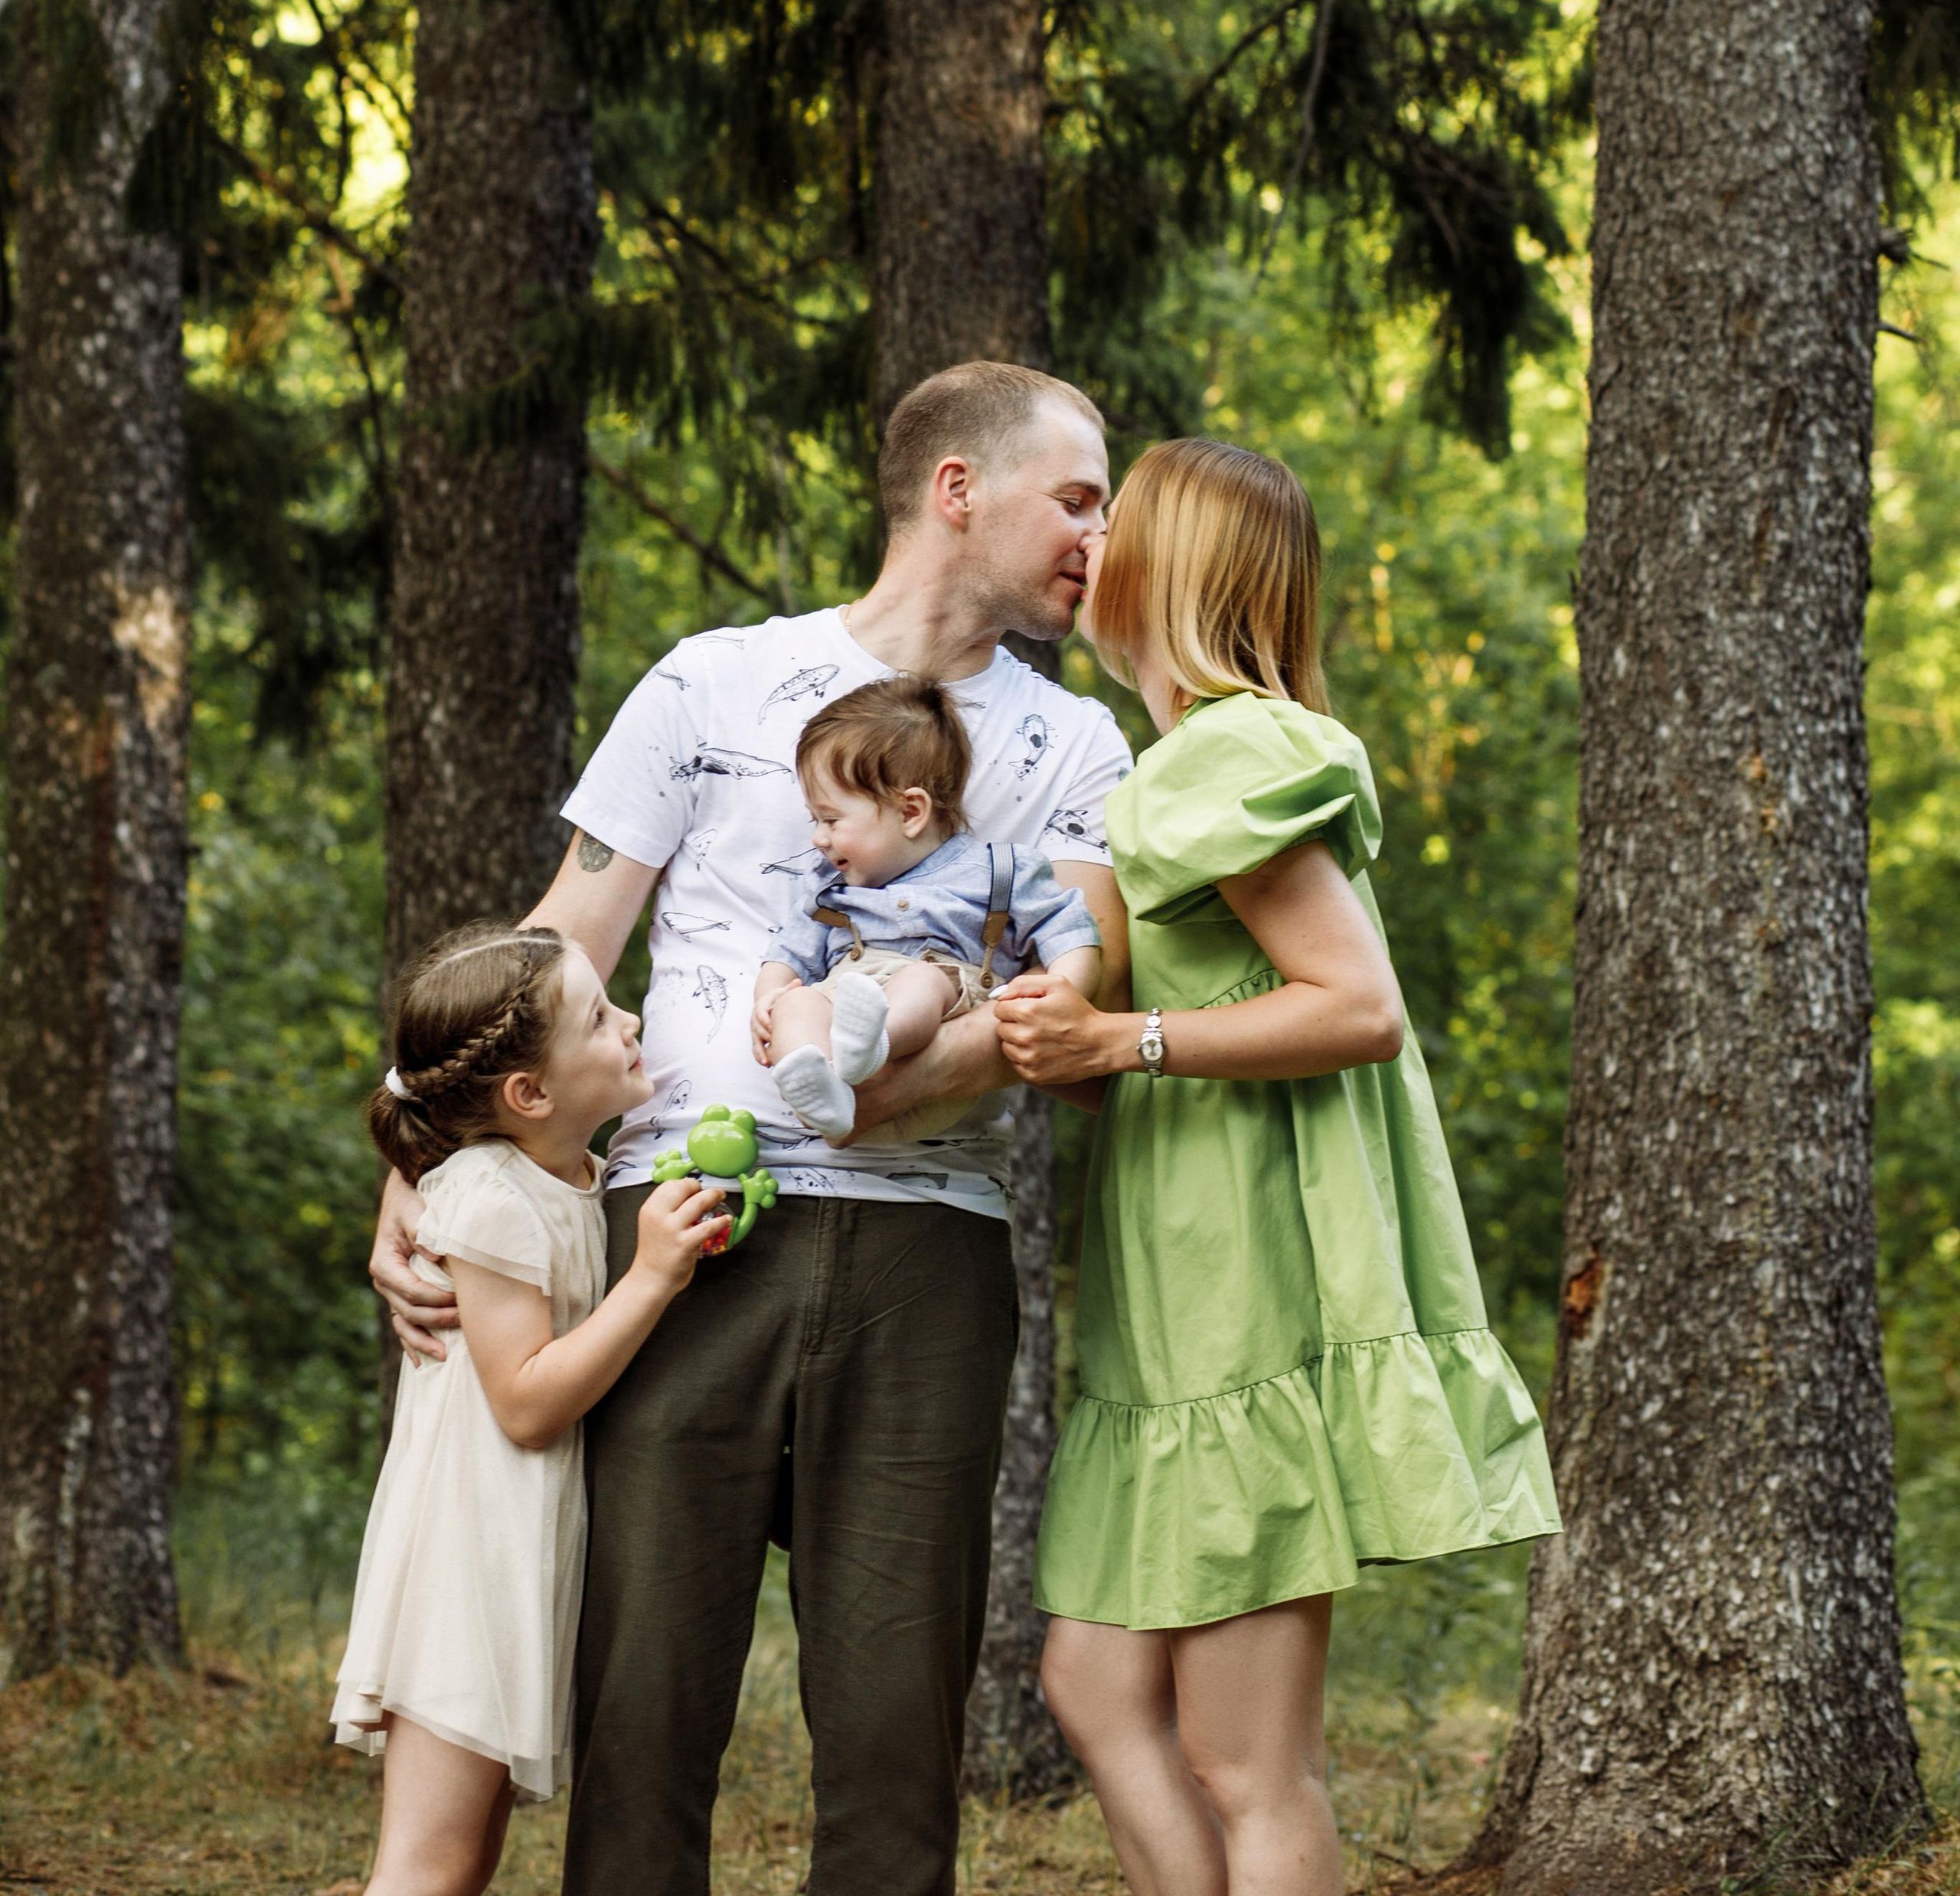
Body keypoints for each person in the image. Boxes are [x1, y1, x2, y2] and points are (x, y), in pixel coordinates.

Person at [367, 361, 1131, 1896]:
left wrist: (866, 1079)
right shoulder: (712, 683)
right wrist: (419, 1153)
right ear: (954, 490)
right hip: (675, 1241)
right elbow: (566, 932)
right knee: (638, 1698)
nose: (1099, 539)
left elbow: (1080, 999)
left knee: (894, 1723)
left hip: (928, 1255)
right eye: (1074, 498)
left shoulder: (1078, 750)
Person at [996, 439, 1560, 1896]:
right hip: (1172, 1307)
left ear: (1173, 566)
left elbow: (1356, 1007)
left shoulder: (1237, 753)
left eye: (1118, 516)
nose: (1091, 533)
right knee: (1098, 1690)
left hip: (1249, 1297)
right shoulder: (1169, 772)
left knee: (1252, 1762)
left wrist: (1126, 1045)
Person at [334, 925, 729, 1896]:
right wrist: (653, 1278)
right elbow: (523, 1405)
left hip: (514, 1544)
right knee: (431, 1867)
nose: (631, 1020)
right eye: (599, 1016)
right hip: (466, 1558)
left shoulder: (563, 1178)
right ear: (532, 1095)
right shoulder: (487, 1195)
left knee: (462, 1860)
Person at [753, 673, 1104, 1142]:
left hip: (936, 1044)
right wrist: (768, 1001)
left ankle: (871, 1045)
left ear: (911, 812)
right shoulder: (828, 889)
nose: (818, 838)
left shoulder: (1001, 870)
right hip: (843, 1044)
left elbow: (1071, 932)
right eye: (815, 820)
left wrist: (1063, 993)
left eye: (831, 819)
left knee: (920, 979)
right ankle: (820, 1086)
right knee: (797, 1001)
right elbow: (786, 954)